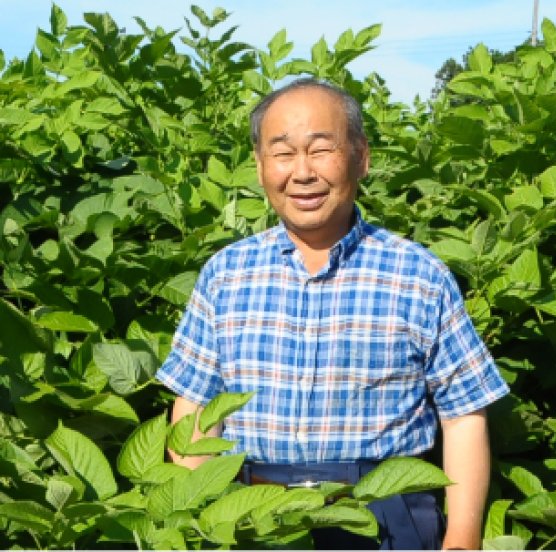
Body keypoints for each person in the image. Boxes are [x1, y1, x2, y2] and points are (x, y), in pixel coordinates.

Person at [155, 77, 510, 550]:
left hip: (385, 515)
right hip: (251, 516)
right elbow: (196, 409)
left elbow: (464, 414)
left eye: (321, 149)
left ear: (360, 157)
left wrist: (462, 541)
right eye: (282, 153)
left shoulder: (418, 273)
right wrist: (191, 523)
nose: (302, 172)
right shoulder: (227, 273)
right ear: (260, 167)